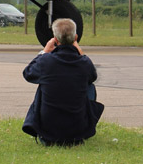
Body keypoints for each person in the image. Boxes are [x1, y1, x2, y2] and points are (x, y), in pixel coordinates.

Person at [22, 18, 105, 146]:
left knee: (44, 83)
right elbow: (92, 76)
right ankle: (83, 125)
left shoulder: (46, 61)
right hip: (78, 134)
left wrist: (44, 52)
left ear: (55, 39)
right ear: (75, 37)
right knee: (89, 86)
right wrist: (80, 52)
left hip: (48, 134)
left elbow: (28, 73)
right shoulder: (84, 63)